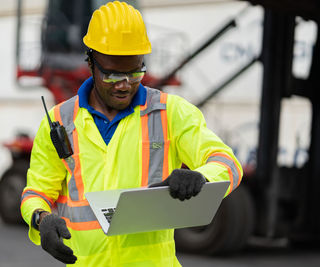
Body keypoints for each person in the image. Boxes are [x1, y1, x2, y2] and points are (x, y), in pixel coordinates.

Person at [20, 1, 243, 266]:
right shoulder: (59, 121)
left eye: (135, 72)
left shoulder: (170, 113)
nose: (125, 85)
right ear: (91, 61)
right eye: (113, 75)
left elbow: (228, 164)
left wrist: (200, 177)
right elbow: (37, 192)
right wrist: (41, 219)